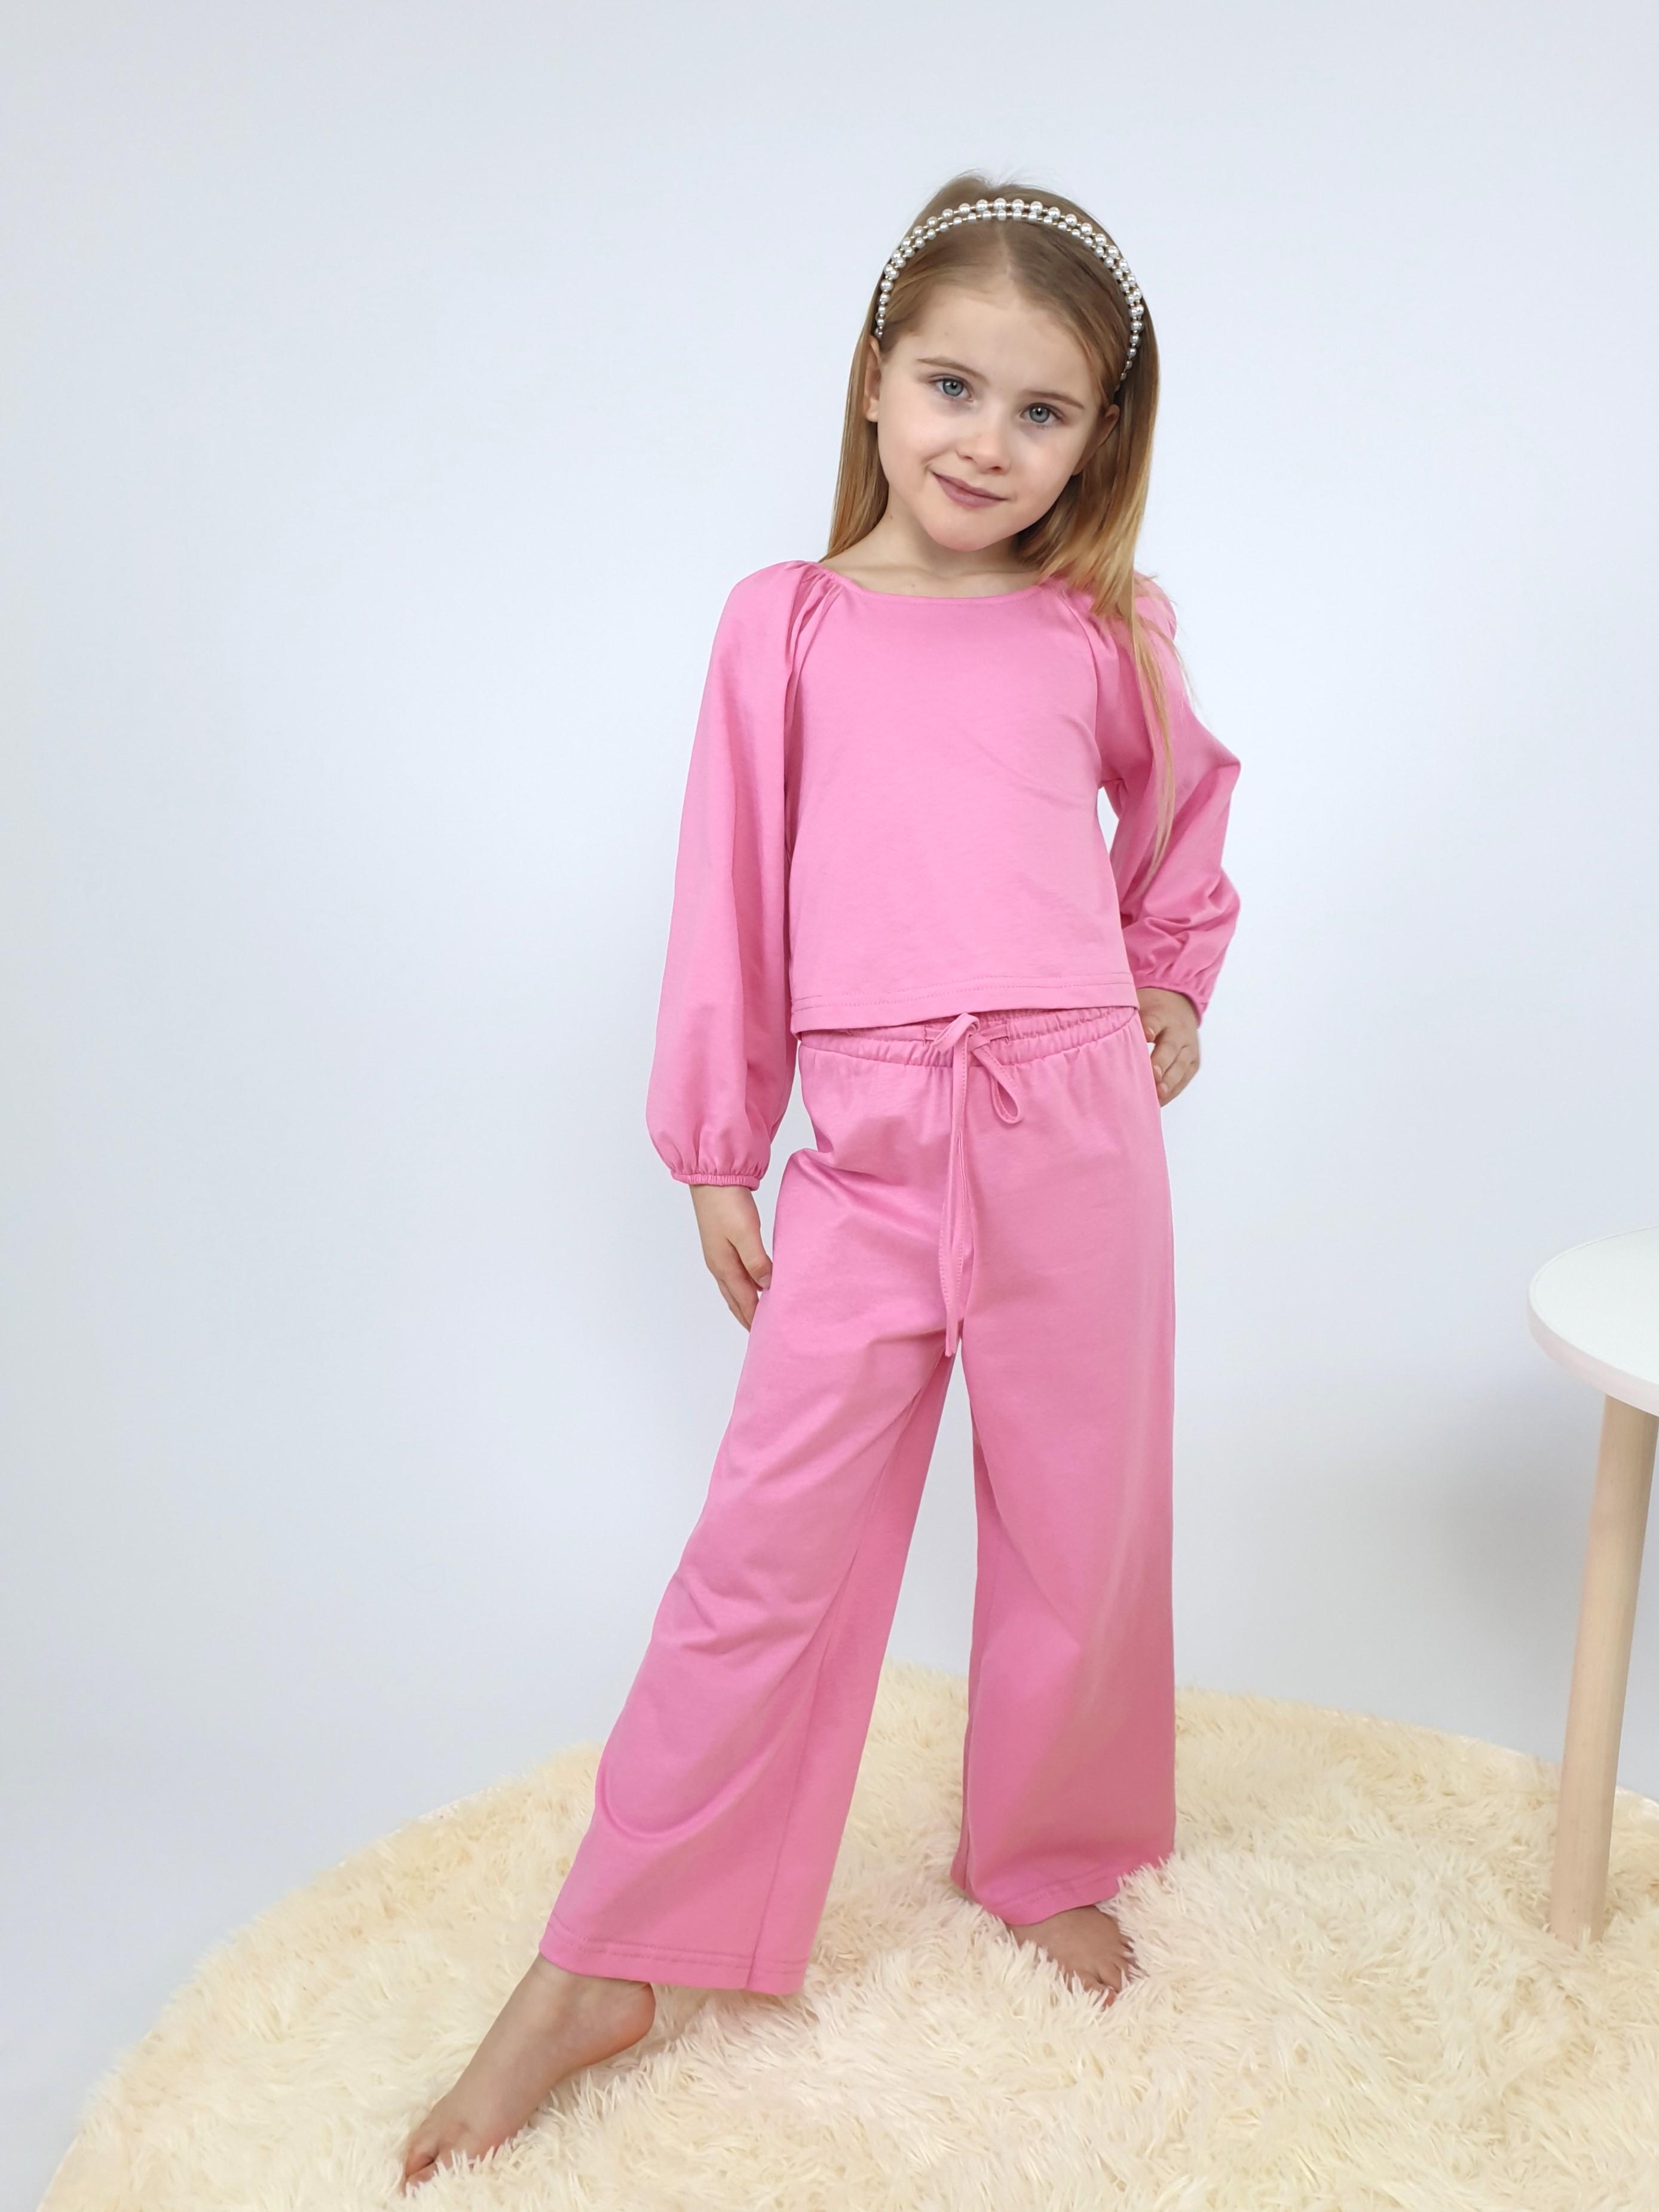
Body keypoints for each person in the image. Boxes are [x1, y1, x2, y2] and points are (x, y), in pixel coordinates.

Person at [402, 168, 1242, 2190]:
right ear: (875, 379)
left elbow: (1186, 821)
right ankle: (605, 1961)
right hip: (863, 1142)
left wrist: (1168, 980)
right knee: (761, 1556)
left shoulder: (1104, 626)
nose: (989, 441)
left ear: (1098, 437)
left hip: (1071, 1123)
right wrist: (719, 1136)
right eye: (953, 385)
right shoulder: (783, 624)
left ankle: (1046, 1853)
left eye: (1044, 411)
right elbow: (730, 893)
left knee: (1079, 1515)